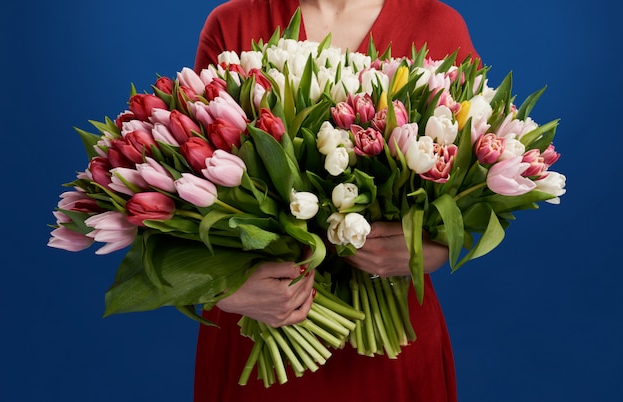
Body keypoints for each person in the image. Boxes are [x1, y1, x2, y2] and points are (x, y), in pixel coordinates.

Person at [192, 1, 479, 401]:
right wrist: (226, 290)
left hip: (390, 343)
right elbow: (197, 177)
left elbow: (471, 176)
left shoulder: (439, 24)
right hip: (262, 334)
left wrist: (432, 248)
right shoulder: (234, 22)